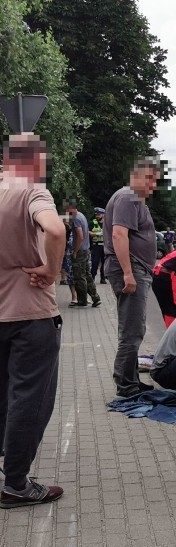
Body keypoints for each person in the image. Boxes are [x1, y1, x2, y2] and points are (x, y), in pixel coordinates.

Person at [0, 134, 66, 508]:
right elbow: (55, 230)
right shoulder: (31, 192)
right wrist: (52, 269)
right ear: (36, 162)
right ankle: (16, 485)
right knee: (29, 398)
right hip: (30, 315)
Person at [104, 157, 160, 397]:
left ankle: (131, 379)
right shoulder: (128, 197)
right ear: (134, 176)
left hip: (137, 268)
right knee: (132, 330)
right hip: (130, 269)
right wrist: (128, 273)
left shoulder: (135, 200)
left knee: (134, 328)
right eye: (148, 178)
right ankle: (126, 385)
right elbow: (119, 235)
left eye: (155, 181)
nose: (152, 185)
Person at [67, 200, 101, 308]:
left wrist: (75, 251)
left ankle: (82, 300)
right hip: (86, 249)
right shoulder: (82, 215)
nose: (66, 210)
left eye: (67, 208)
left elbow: (80, 236)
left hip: (80, 251)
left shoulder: (76, 218)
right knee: (87, 275)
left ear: (71, 207)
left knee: (79, 277)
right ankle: (95, 297)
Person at [61, 218, 77, 304]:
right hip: (67, 254)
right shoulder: (65, 230)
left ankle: (79, 296)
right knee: (71, 276)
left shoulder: (74, 229)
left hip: (75, 254)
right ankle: (74, 297)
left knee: (78, 276)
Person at [89, 207, 106, 283]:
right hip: (96, 246)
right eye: (96, 214)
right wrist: (97, 234)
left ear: (103, 215)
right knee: (94, 262)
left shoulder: (108, 223)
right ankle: (92, 277)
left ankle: (103, 278)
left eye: (99, 214)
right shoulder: (92, 222)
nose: (97, 216)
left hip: (105, 246)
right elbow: (88, 232)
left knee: (105, 263)